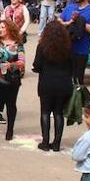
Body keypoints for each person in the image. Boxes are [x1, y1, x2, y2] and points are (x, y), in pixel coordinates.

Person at [33, 20, 74, 152]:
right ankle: (56, 143)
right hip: (64, 83)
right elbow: (73, 66)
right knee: (58, 113)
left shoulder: (42, 47)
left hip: (47, 82)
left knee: (45, 112)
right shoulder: (68, 47)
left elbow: (37, 65)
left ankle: (45, 142)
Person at [60, 0, 90, 86]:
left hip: (81, 51)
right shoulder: (70, 7)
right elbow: (60, 20)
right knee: (65, 80)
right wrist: (68, 22)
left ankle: (77, 100)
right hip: (66, 49)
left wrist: (80, 21)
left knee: (78, 81)